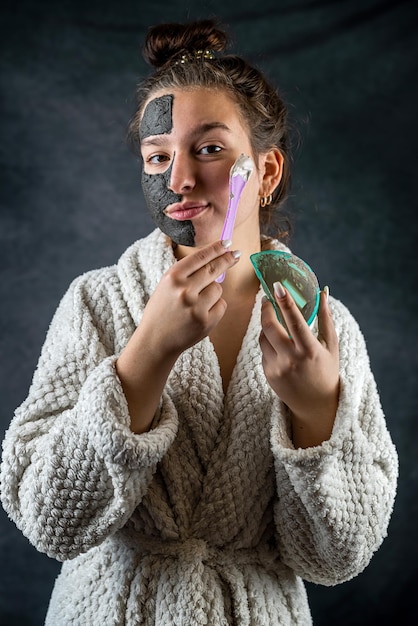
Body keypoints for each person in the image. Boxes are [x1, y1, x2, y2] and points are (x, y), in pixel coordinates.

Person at [0, 18, 398, 626]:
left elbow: (338, 557)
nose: (179, 180)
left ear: (266, 173)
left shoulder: (324, 326)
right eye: (157, 156)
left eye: (209, 149)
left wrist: (317, 410)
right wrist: (146, 356)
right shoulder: (96, 303)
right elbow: (48, 521)